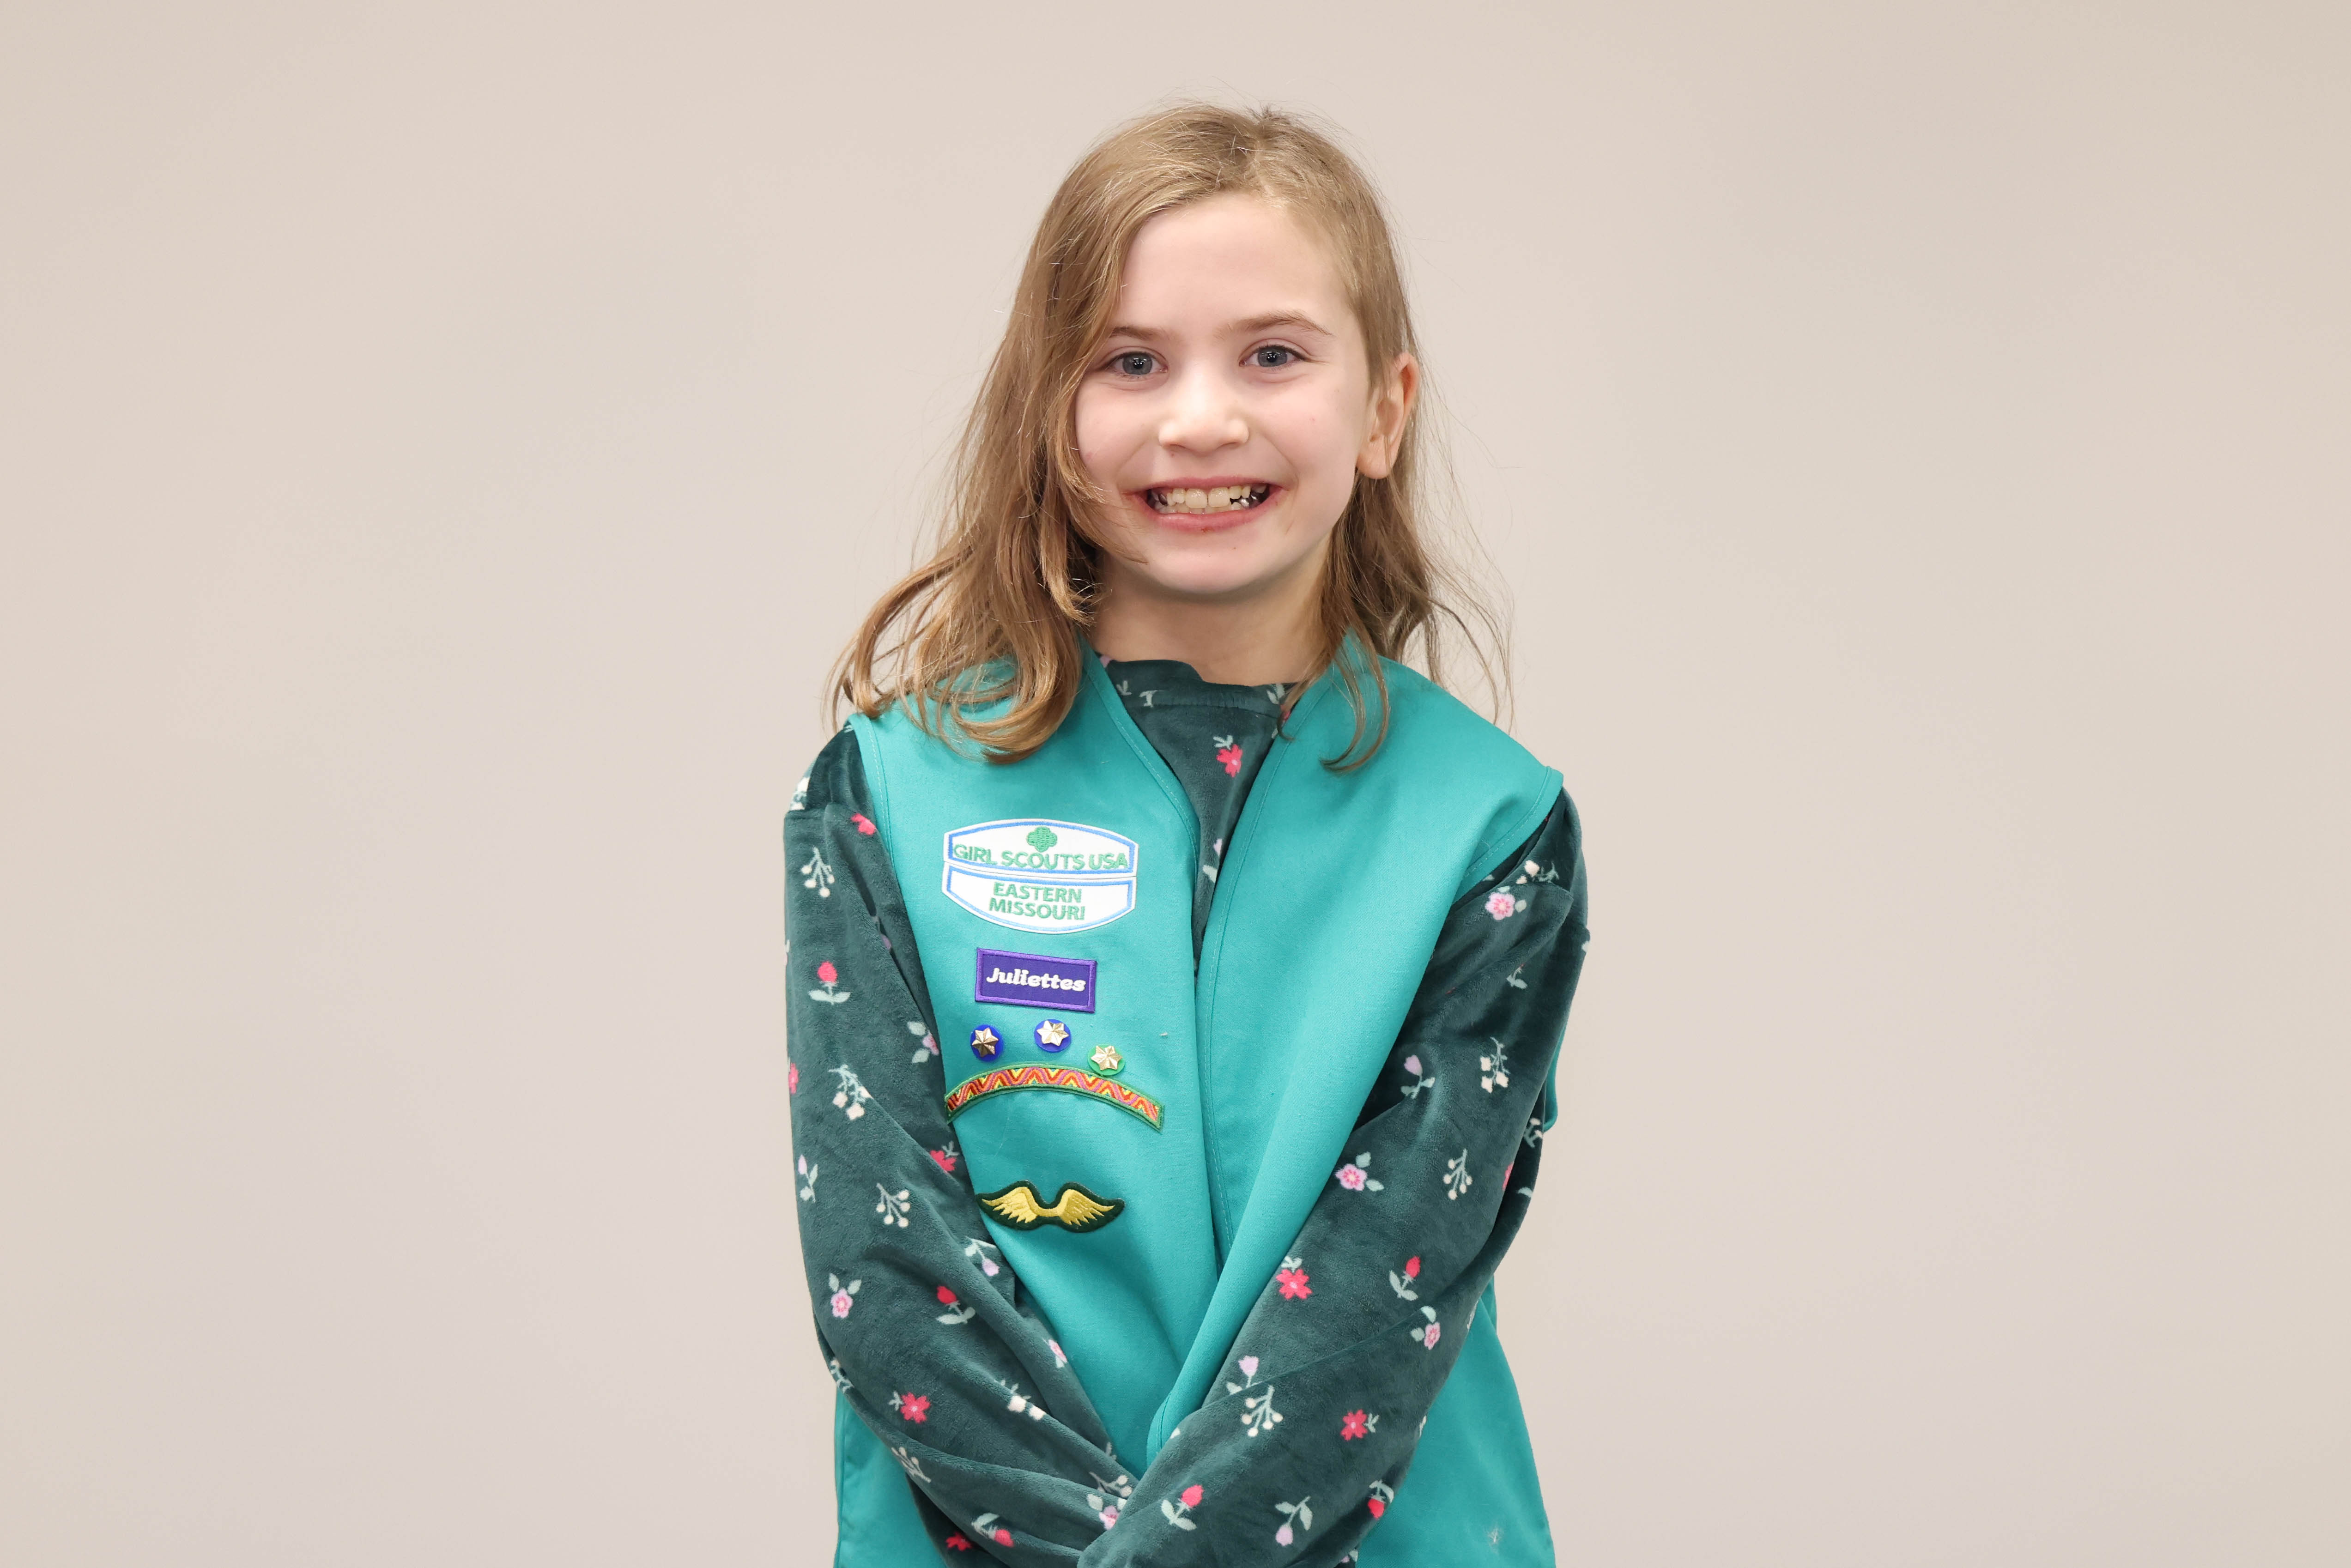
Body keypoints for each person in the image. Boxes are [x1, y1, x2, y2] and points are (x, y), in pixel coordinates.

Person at [785, 103, 1590, 1566]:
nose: (1200, 415)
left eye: (1273, 354)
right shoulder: (891, 788)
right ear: (1052, 409)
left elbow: (1381, 1285)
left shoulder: (1491, 822)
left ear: (1385, 409)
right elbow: (886, 1258)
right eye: (1130, 359)